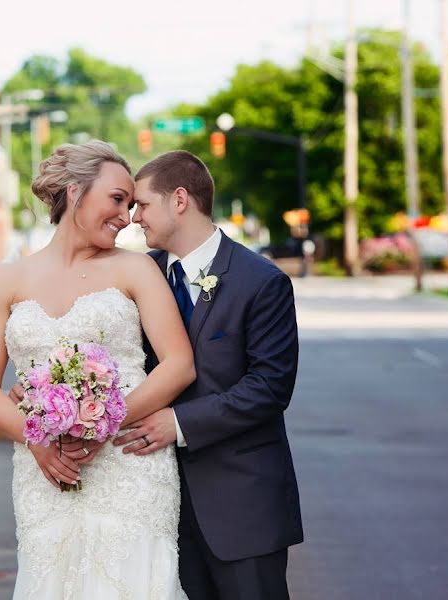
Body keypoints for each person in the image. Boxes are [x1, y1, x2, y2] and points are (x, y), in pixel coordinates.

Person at [0, 140, 195, 599]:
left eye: (132, 205)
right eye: (116, 199)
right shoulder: (6, 281)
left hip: (129, 467)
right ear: (74, 192)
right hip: (45, 472)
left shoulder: (135, 270)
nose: (126, 216)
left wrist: (103, 425)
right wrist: (36, 439)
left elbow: (179, 365)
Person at [114, 150, 302, 599]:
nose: (134, 217)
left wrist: (178, 424)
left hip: (243, 507)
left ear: (180, 199)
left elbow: (269, 387)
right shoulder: (142, 276)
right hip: (159, 506)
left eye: (142, 204)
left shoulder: (261, 281)